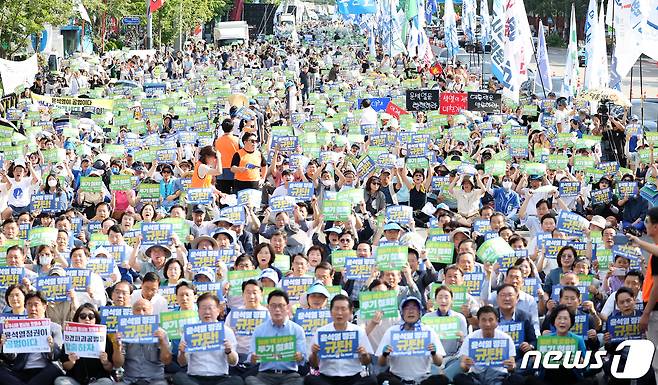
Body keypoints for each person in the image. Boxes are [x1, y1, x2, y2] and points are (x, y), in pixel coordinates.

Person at [174, 292, 244, 385]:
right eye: (203, 308)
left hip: (220, 378)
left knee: (237, 381)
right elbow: (182, 363)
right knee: (178, 377)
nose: (207, 312)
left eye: (210, 308)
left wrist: (229, 351)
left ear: (218, 310)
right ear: (198, 311)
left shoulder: (226, 331)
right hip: (194, 378)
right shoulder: (190, 331)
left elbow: (234, 363)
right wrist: (182, 353)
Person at [376, 297, 448, 385]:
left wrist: (434, 353)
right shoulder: (392, 331)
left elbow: (439, 362)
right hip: (397, 379)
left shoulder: (428, 331)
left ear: (419, 312)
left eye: (414, 308)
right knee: (381, 379)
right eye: (407, 308)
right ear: (402, 312)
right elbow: (381, 363)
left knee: (442, 380)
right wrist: (384, 354)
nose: (411, 311)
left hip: (423, 379)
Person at [307, 294, 376, 385]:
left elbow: (366, 362)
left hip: (353, 377)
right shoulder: (321, 332)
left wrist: (364, 354)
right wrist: (314, 353)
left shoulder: (358, 331)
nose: (339, 313)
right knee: (309, 380)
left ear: (351, 311)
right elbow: (314, 365)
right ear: (331, 311)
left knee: (371, 380)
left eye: (343, 309)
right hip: (327, 377)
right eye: (336, 309)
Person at [0, 291, 64, 385]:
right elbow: (12, 357)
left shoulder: (55, 328)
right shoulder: (17, 327)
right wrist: (5, 346)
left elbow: (58, 355)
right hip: (22, 370)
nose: (33, 308)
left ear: (44, 306)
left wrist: (51, 346)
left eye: (36, 305)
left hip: (45, 370)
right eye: (29, 305)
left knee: (55, 368)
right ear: (25, 307)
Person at [245, 290, 306, 385]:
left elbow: (303, 360)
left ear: (287, 307)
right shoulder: (259, 330)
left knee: (301, 381)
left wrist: (300, 357)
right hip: (265, 376)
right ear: (268, 307)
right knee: (250, 380)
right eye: (273, 306)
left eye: (281, 305)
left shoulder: (297, 329)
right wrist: (253, 358)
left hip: (290, 376)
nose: (277, 309)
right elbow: (251, 359)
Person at [112, 298, 172, 385]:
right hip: (129, 379)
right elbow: (117, 364)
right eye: (137, 310)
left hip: (155, 379)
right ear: (132, 313)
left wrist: (163, 343)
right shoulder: (124, 333)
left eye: (144, 309)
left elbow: (167, 361)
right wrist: (117, 346)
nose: (141, 313)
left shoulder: (161, 333)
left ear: (151, 312)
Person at [454, 306, 518, 385]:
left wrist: (511, 366)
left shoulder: (506, 338)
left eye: (491, 320)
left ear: (497, 321)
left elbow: (512, 365)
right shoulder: (470, 338)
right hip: (476, 376)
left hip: (499, 375)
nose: (487, 324)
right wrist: (466, 365)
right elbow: (463, 366)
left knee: (516, 379)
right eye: (483, 320)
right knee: (459, 378)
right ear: (479, 322)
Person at [55, 303, 115, 385]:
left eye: (91, 316)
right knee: (60, 381)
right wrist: (71, 362)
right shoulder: (70, 336)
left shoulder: (104, 338)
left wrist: (105, 362)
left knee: (107, 382)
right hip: (75, 380)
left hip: (98, 380)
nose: (87, 319)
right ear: (77, 318)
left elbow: (110, 368)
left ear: (95, 319)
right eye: (83, 316)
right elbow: (65, 366)